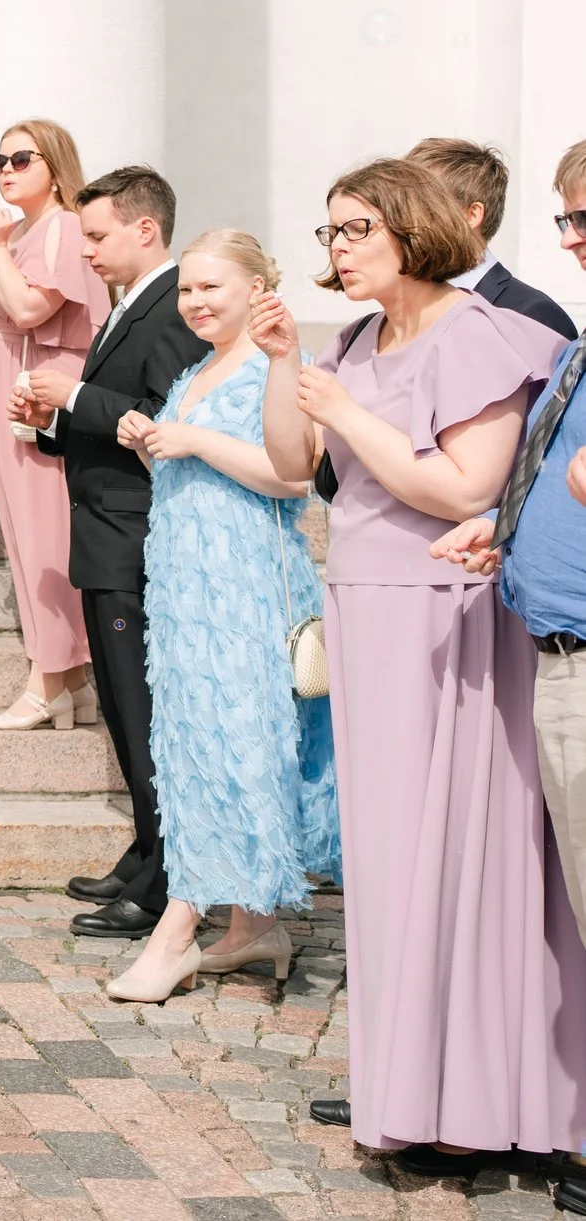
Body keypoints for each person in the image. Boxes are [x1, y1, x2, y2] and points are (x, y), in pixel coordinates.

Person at [255, 158, 585, 1175]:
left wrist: (349, 412)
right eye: (328, 231)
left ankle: (497, 1100)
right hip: (367, 613)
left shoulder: (483, 334)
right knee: (391, 868)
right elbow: (285, 464)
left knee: (463, 863)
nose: (336, 247)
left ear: (412, 226)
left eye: (354, 227)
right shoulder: (353, 338)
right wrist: (280, 363)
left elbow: (463, 486)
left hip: (450, 620)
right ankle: (414, 1094)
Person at [100, 232, 337, 1003]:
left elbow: (290, 476)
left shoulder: (278, 364)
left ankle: (178, 927)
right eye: (188, 289)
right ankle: (254, 924)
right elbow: (194, 472)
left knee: (233, 743)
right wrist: (151, 443)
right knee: (199, 740)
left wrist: (192, 438)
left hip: (245, 591)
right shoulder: (200, 368)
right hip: (188, 587)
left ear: (259, 287)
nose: (196, 301)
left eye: (213, 288)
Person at [431, 135, 586, 1217]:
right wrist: (503, 523)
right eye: (567, 218)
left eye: (585, 218)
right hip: (556, 650)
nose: (571, 239)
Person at [14, 167, 210, 939]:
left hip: (135, 538)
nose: (85, 250)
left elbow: (163, 419)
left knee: (145, 712)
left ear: (145, 229)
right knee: (129, 719)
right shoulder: (131, 302)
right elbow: (107, 412)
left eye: (95, 235)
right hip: (103, 531)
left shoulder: (174, 308)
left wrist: (71, 395)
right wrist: (52, 418)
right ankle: (145, 850)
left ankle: (165, 879)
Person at [0, 121, 111, 731]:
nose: (5, 169)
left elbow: (30, 309)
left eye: (21, 158)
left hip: (41, 392)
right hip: (13, 379)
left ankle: (48, 682)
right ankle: (72, 683)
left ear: (55, 164)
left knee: (45, 539)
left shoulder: (63, 225)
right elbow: (6, 320)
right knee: (27, 538)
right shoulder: (27, 230)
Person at [404, 136, 578, 340]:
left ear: (472, 214)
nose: (402, 218)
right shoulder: (396, 317)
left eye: (421, 204)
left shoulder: (531, 315)